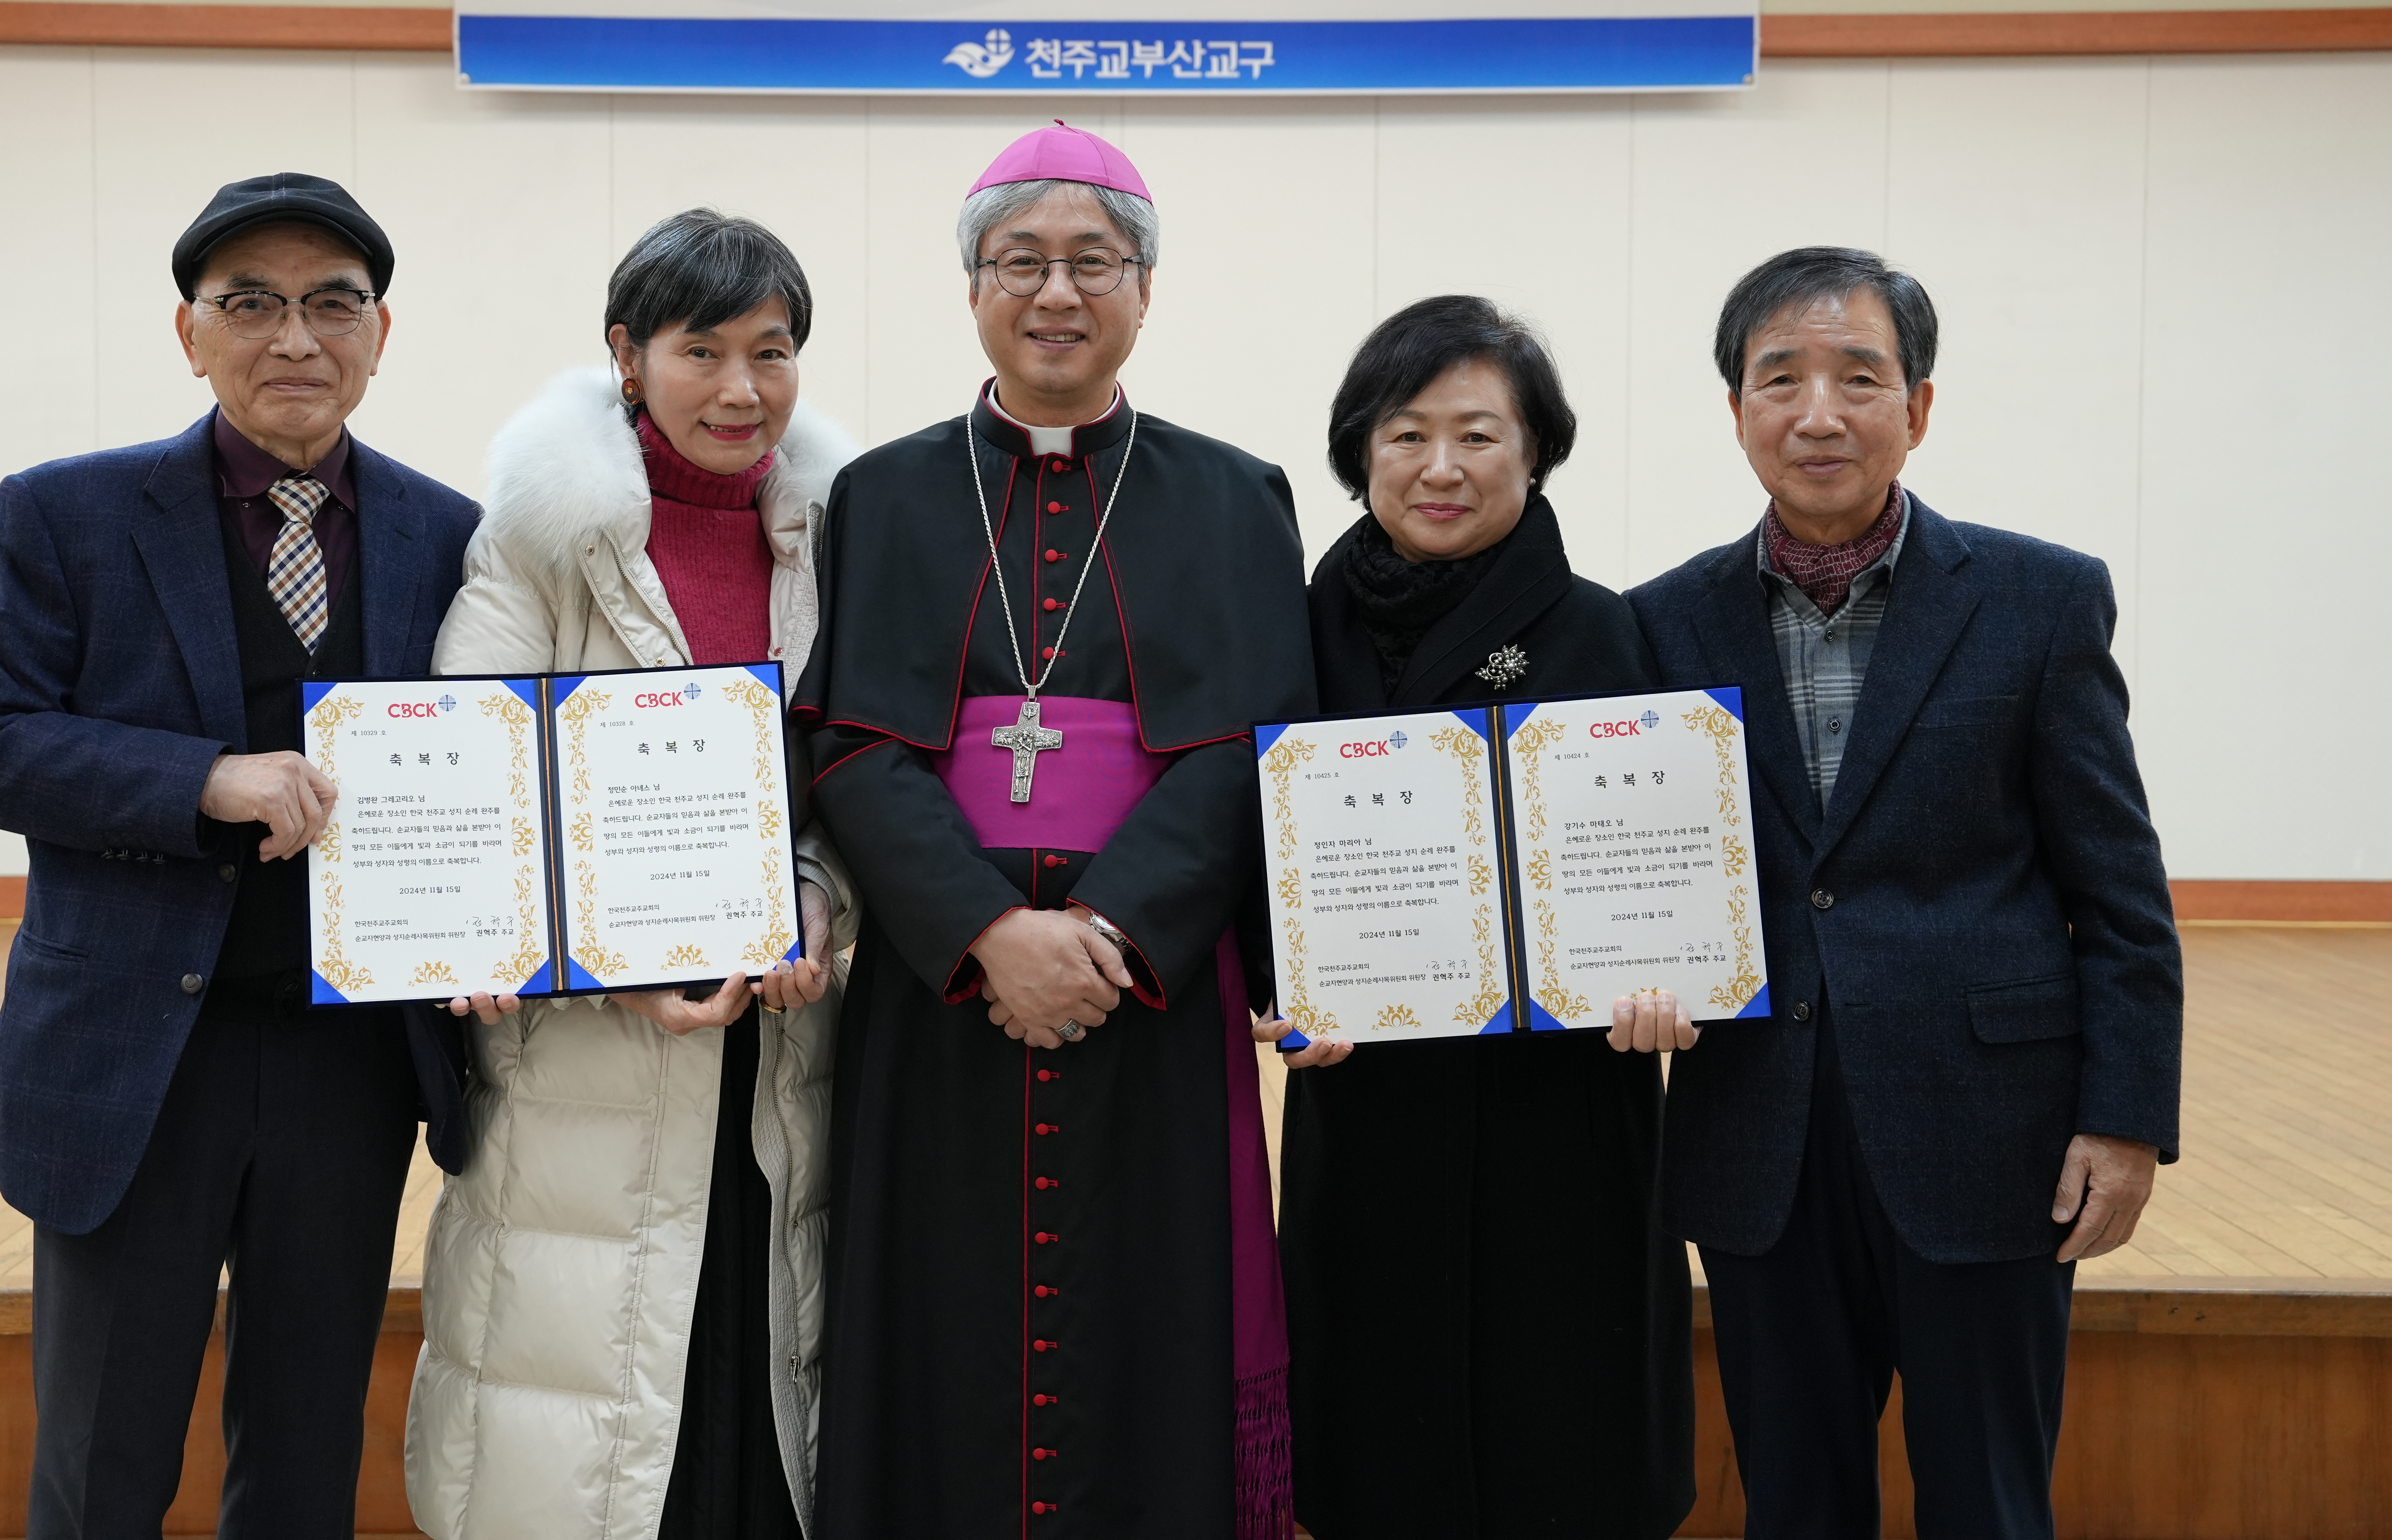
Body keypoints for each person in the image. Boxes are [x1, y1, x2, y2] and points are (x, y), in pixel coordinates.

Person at [0, 173, 480, 1538]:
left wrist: (498, 923)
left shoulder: (448, 533)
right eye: (254, 305)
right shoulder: (70, 516)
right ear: (191, 332)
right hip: (131, 1055)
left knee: (303, 1454)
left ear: (381, 332)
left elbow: (485, 775)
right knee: (105, 1459)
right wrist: (202, 780)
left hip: (352, 1061)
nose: (296, 339)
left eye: (332, 305)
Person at [790, 122, 1316, 1540]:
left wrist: (1100, 933)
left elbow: (1251, 752)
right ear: (973, 288)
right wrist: (985, 934)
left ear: (1146, 290)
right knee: (937, 1322)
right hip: (937, 991)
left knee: (1148, 1317)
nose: (1057, 293)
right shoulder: (884, 494)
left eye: (1095, 261)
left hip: (1142, 992)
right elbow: (851, 745)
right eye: (1019, 260)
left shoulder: (1234, 495)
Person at [1626, 247, 2184, 1538]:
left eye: (1858, 377)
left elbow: (2120, 892)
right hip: (1760, 1131)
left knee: (1989, 1502)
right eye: (1781, 380)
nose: (1818, 413)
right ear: (1738, 413)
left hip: (1991, 1136)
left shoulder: (2041, 600)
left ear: (1918, 408)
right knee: (1795, 1505)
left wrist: (2126, 1119)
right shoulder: (1660, 622)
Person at [403, 210, 860, 1540]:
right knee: (588, 1439)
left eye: (770, 353)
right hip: (586, 1077)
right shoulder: (541, 540)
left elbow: (860, 781)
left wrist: (820, 902)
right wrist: (618, 971)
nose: (739, 389)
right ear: (626, 355)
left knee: (761, 1404)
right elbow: (476, 788)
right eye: (699, 349)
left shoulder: (839, 543)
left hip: (782, 1051)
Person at [1259, 296, 1696, 1539]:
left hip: (1564, 1105)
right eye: (1406, 435)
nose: (1439, 468)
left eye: (1478, 436)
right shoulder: (1294, 629)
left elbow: (1666, 866)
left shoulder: (1603, 629)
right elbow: (1249, 841)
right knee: (1378, 1431)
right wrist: (1272, 982)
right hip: (1372, 1086)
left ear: (1537, 452)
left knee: (1569, 1428)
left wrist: (1673, 982)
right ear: (1360, 452)